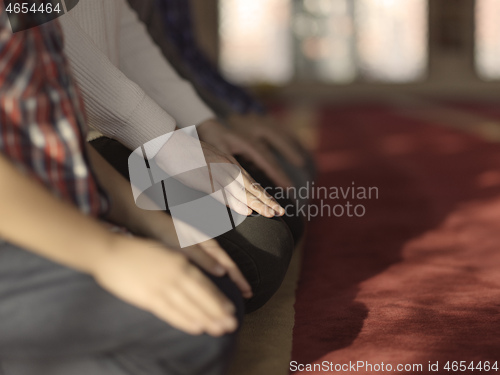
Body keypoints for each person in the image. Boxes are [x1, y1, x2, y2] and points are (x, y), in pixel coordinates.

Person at [0, 7, 245, 374]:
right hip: (104, 151)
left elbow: (54, 130)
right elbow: (101, 92)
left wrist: (154, 222)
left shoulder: (33, 10)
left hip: (79, 184)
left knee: (218, 282)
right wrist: (109, 253)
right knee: (193, 326)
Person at [59, 0, 304, 313]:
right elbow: (43, 30)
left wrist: (203, 123)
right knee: (262, 251)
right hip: (73, 139)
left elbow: (125, 30)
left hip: (117, 128)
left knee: (283, 212)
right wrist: (166, 142)